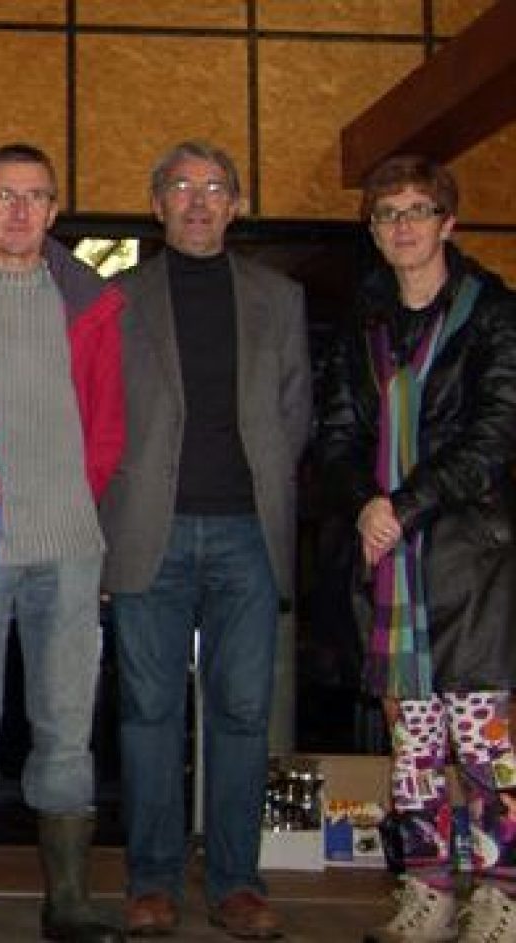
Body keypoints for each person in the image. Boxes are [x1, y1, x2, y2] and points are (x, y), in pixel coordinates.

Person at [99, 140, 309, 940]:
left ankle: (236, 882)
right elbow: (103, 413)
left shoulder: (279, 297)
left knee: (244, 713)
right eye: (181, 186)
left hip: (248, 534)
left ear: (236, 204)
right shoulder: (120, 298)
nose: (197, 200)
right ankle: (152, 880)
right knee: (147, 712)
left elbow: (294, 412)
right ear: (157, 204)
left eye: (214, 187)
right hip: (146, 530)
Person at [0, 143, 125, 943]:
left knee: (67, 727)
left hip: (69, 545)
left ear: (53, 210)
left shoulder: (92, 301)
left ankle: (68, 900)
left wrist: (74, 504)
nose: (18, 210)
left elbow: (107, 428)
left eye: (34, 196)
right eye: (2, 195)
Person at [318, 156, 516, 943]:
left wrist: (402, 506)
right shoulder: (361, 324)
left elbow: (496, 434)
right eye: (387, 213)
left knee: (487, 748)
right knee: (413, 749)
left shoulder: (494, 313)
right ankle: (426, 893)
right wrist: (365, 505)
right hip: (389, 569)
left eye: (418, 210)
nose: (403, 225)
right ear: (373, 231)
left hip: (471, 561)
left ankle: (501, 897)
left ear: (448, 223)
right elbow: (335, 437)